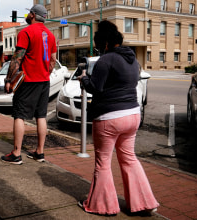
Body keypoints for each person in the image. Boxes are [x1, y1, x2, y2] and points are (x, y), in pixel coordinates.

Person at [77, 20, 159, 215]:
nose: (98, 50)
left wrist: (84, 78)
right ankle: (143, 204)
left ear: (105, 43)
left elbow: (96, 88)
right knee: (129, 158)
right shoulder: (132, 60)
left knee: (103, 162)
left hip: (109, 118)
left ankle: (103, 205)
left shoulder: (106, 60)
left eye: (98, 46)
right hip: (132, 115)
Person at [0, 4, 56, 165]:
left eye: (29, 14)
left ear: (32, 15)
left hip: (28, 81)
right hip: (44, 81)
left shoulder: (26, 32)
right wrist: (46, 73)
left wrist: (9, 80)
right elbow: (52, 60)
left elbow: (17, 58)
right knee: (41, 116)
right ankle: (40, 152)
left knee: (19, 115)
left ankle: (16, 153)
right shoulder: (51, 36)